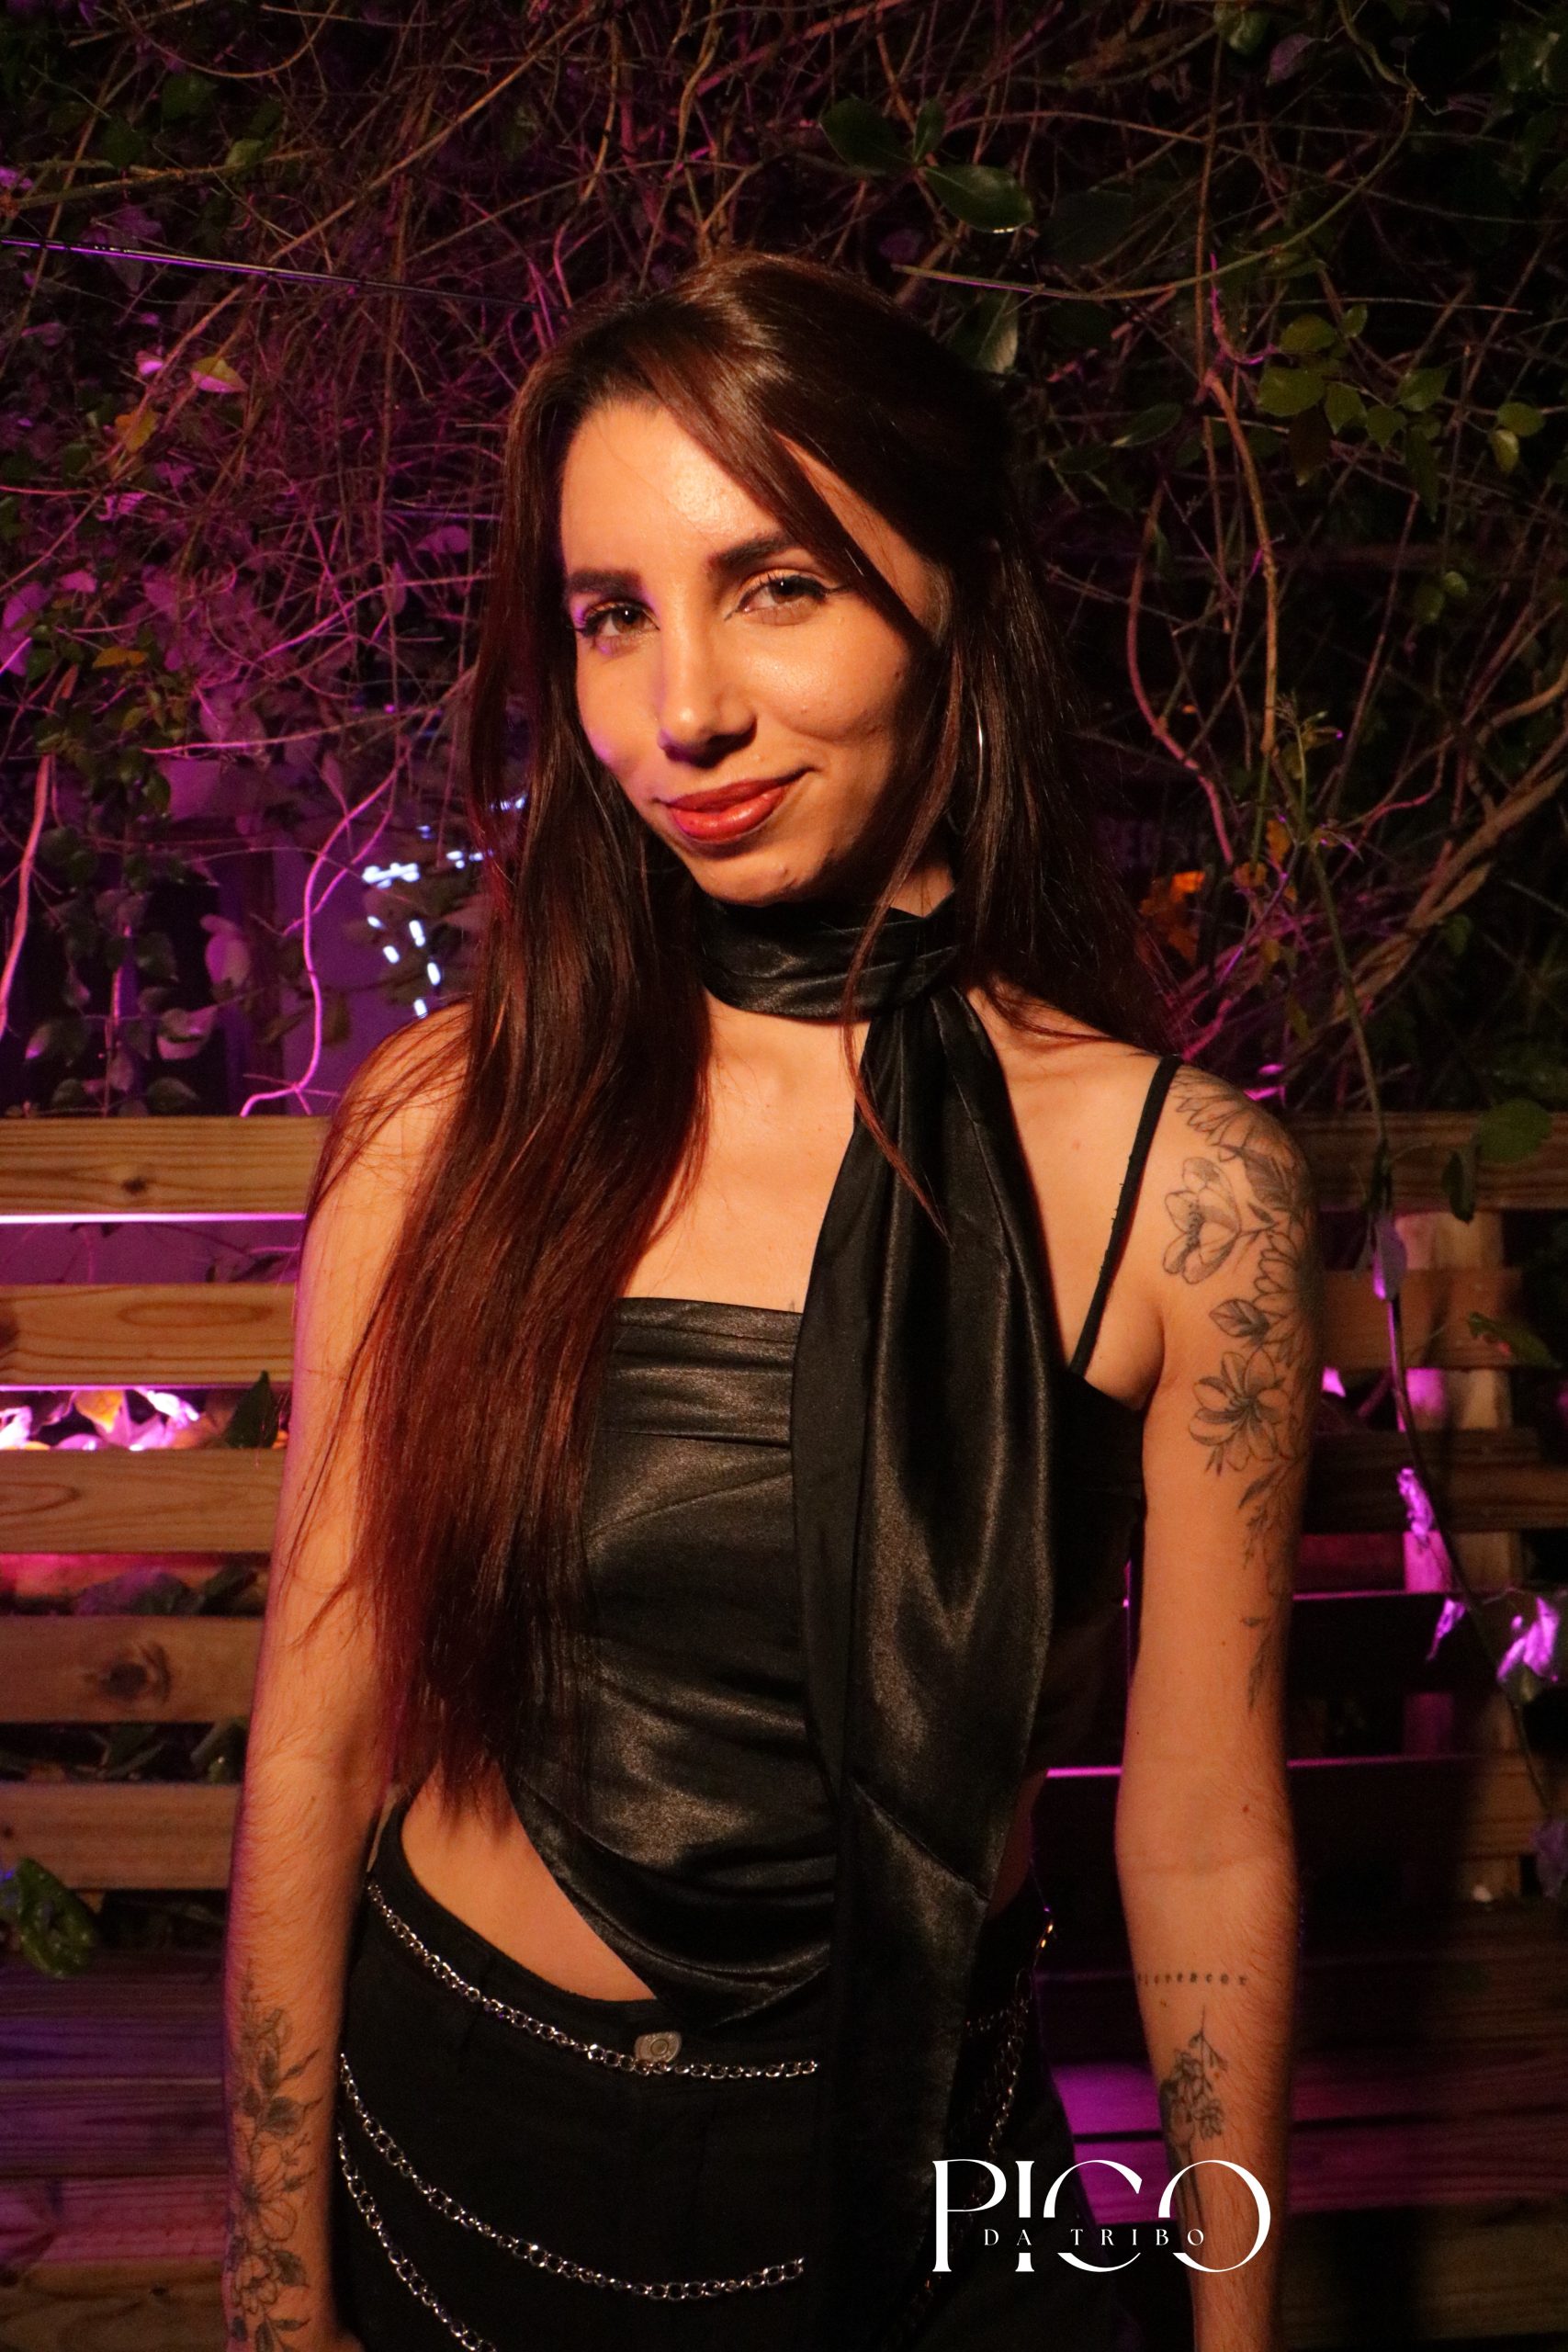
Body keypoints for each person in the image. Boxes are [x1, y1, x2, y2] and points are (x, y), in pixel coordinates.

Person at [220, 251, 1322, 2352]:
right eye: (611, 612)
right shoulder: (449, 1125)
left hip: (928, 2190)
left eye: (777, 584)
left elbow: (1197, 1831)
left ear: (950, 599)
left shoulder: (1185, 1195)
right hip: (458, 2167)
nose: (681, 710)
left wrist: (1234, 2328)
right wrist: (275, 2282)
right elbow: (320, 1725)